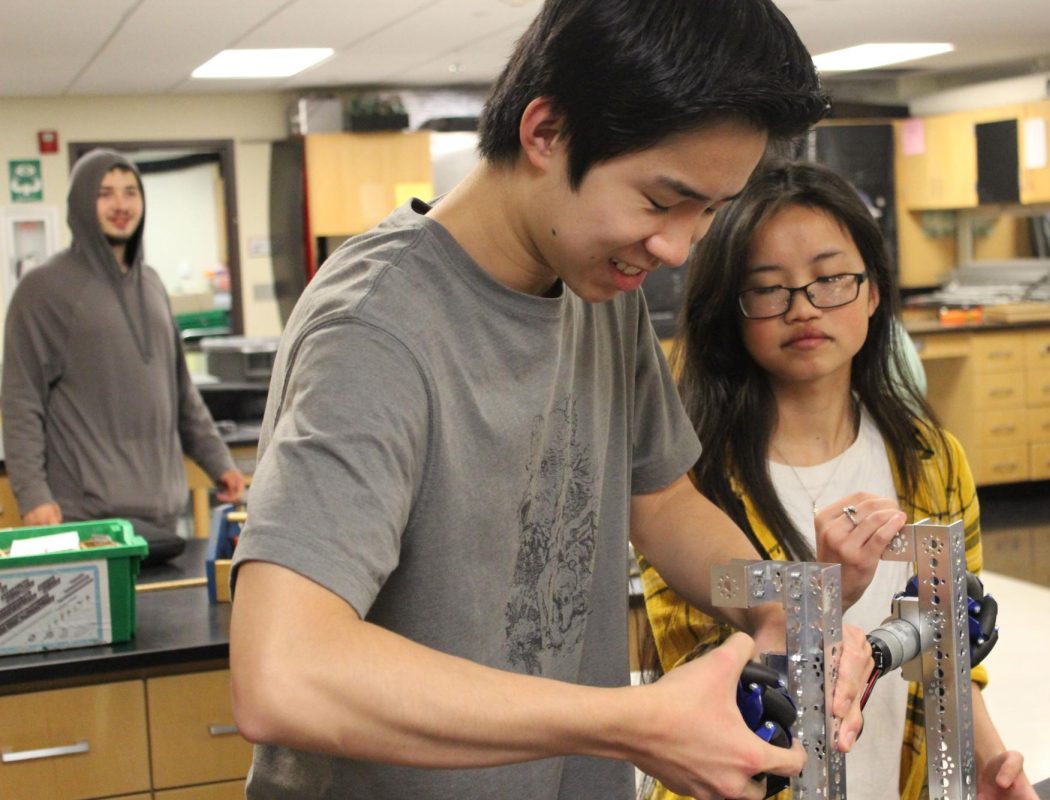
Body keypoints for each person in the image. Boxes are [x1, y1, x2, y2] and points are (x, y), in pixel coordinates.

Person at [227, 2, 874, 799]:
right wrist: (629, 721)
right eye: (659, 200)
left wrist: (776, 603)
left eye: (707, 211)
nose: (677, 248)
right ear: (545, 132)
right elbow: (284, 672)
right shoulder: (375, 330)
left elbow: (662, 502)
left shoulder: (600, 285)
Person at [639, 160, 1037, 800]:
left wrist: (985, 761)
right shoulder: (683, 487)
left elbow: (948, 653)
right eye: (768, 288)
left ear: (873, 292)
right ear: (731, 312)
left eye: (830, 279)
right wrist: (825, 598)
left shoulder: (931, 459)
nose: (804, 308)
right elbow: (713, 694)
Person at [2, 149, 245, 558]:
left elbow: (181, 392)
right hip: (85, 519)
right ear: (81, 202)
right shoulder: (44, 289)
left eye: (131, 192)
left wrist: (219, 461)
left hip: (163, 513)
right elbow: (20, 397)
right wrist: (32, 494)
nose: (121, 204)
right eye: (106, 193)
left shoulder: (151, 284)